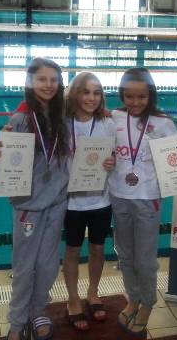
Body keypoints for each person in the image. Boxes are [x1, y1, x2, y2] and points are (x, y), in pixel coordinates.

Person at [109, 68, 177, 336]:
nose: (135, 102)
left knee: (145, 259)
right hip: (119, 195)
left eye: (141, 97)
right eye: (129, 96)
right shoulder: (114, 117)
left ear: (150, 95)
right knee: (125, 255)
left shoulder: (162, 122)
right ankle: (133, 299)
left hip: (148, 197)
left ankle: (148, 304)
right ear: (122, 95)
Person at [0, 57, 70, 340]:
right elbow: (0, 170)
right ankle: (17, 322)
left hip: (57, 202)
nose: (48, 85)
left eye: (53, 80)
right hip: (27, 206)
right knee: (24, 266)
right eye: (42, 79)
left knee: (47, 264)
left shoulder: (63, 119)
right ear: (31, 83)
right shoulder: (20, 120)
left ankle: (37, 311)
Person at [63, 72, 116, 331]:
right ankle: (73, 298)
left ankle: (93, 292)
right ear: (75, 94)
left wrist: (113, 161)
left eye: (96, 93)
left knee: (97, 248)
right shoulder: (62, 123)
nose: (91, 98)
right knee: (72, 251)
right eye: (85, 92)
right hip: (71, 202)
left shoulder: (107, 123)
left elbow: (119, 154)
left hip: (100, 200)